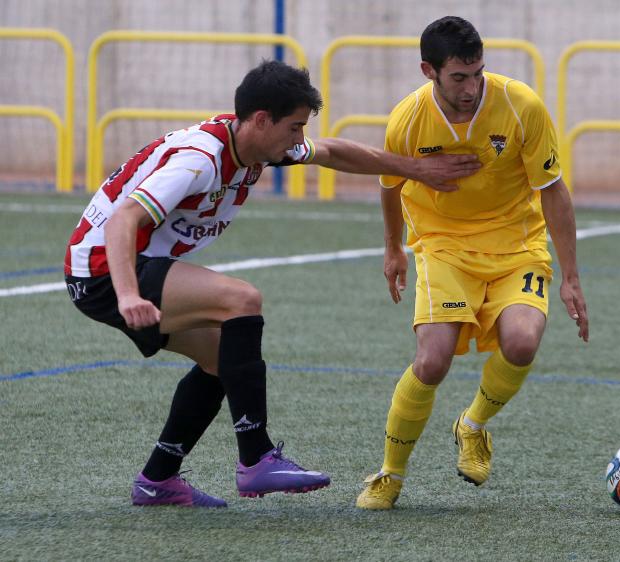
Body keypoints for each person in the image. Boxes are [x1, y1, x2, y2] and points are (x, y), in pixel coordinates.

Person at [64, 59, 480, 508]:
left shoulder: (256, 144)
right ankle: (256, 459)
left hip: (128, 267)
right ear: (262, 120)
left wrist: (416, 169)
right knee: (241, 299)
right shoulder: (199, 160)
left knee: (224, 359)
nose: (299, 141)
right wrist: (128, 293)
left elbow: (334, 153)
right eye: (295, 128)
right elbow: (124, 219)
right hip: (105, 270)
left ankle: (157, 480)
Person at [355, 16, 589, 510]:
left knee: (523, 342)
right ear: (429, 71)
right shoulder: (408, 119)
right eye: (459, 77)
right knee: (432, 360)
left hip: (517, 243)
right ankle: (390, 475)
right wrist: (394, 248)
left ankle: (473, 425)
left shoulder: (520, 106)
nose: (471, 87)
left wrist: (571, 277)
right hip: (444, 246)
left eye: (477, 73)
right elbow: (389, 185)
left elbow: (554, 192)